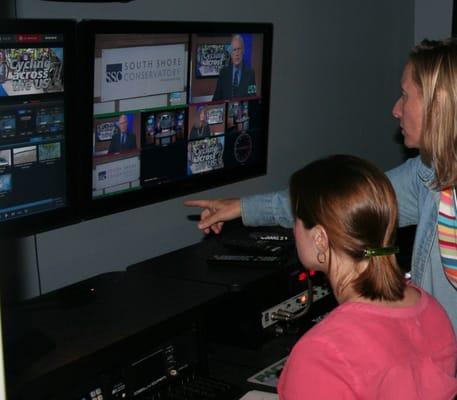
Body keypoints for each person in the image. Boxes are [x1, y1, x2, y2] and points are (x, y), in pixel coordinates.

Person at [184, 37, 457, 331]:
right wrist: (242, 207)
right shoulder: (429, 175)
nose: (396, 109)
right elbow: (338, 203)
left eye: (405, 95)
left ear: (437, 105)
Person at [277, 155, 457, 399]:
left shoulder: (321, 355)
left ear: (319, 238)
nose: (293, 229)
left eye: (296, 219)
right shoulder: (432, 311)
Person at [212, 34, 256, 101]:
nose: (237, 53)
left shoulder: (250, 73)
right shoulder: (223, 73)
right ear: (230, 53)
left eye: (239, 49)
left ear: (243, 50)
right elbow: (216, 99)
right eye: (234, 50)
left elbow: (253, 98)